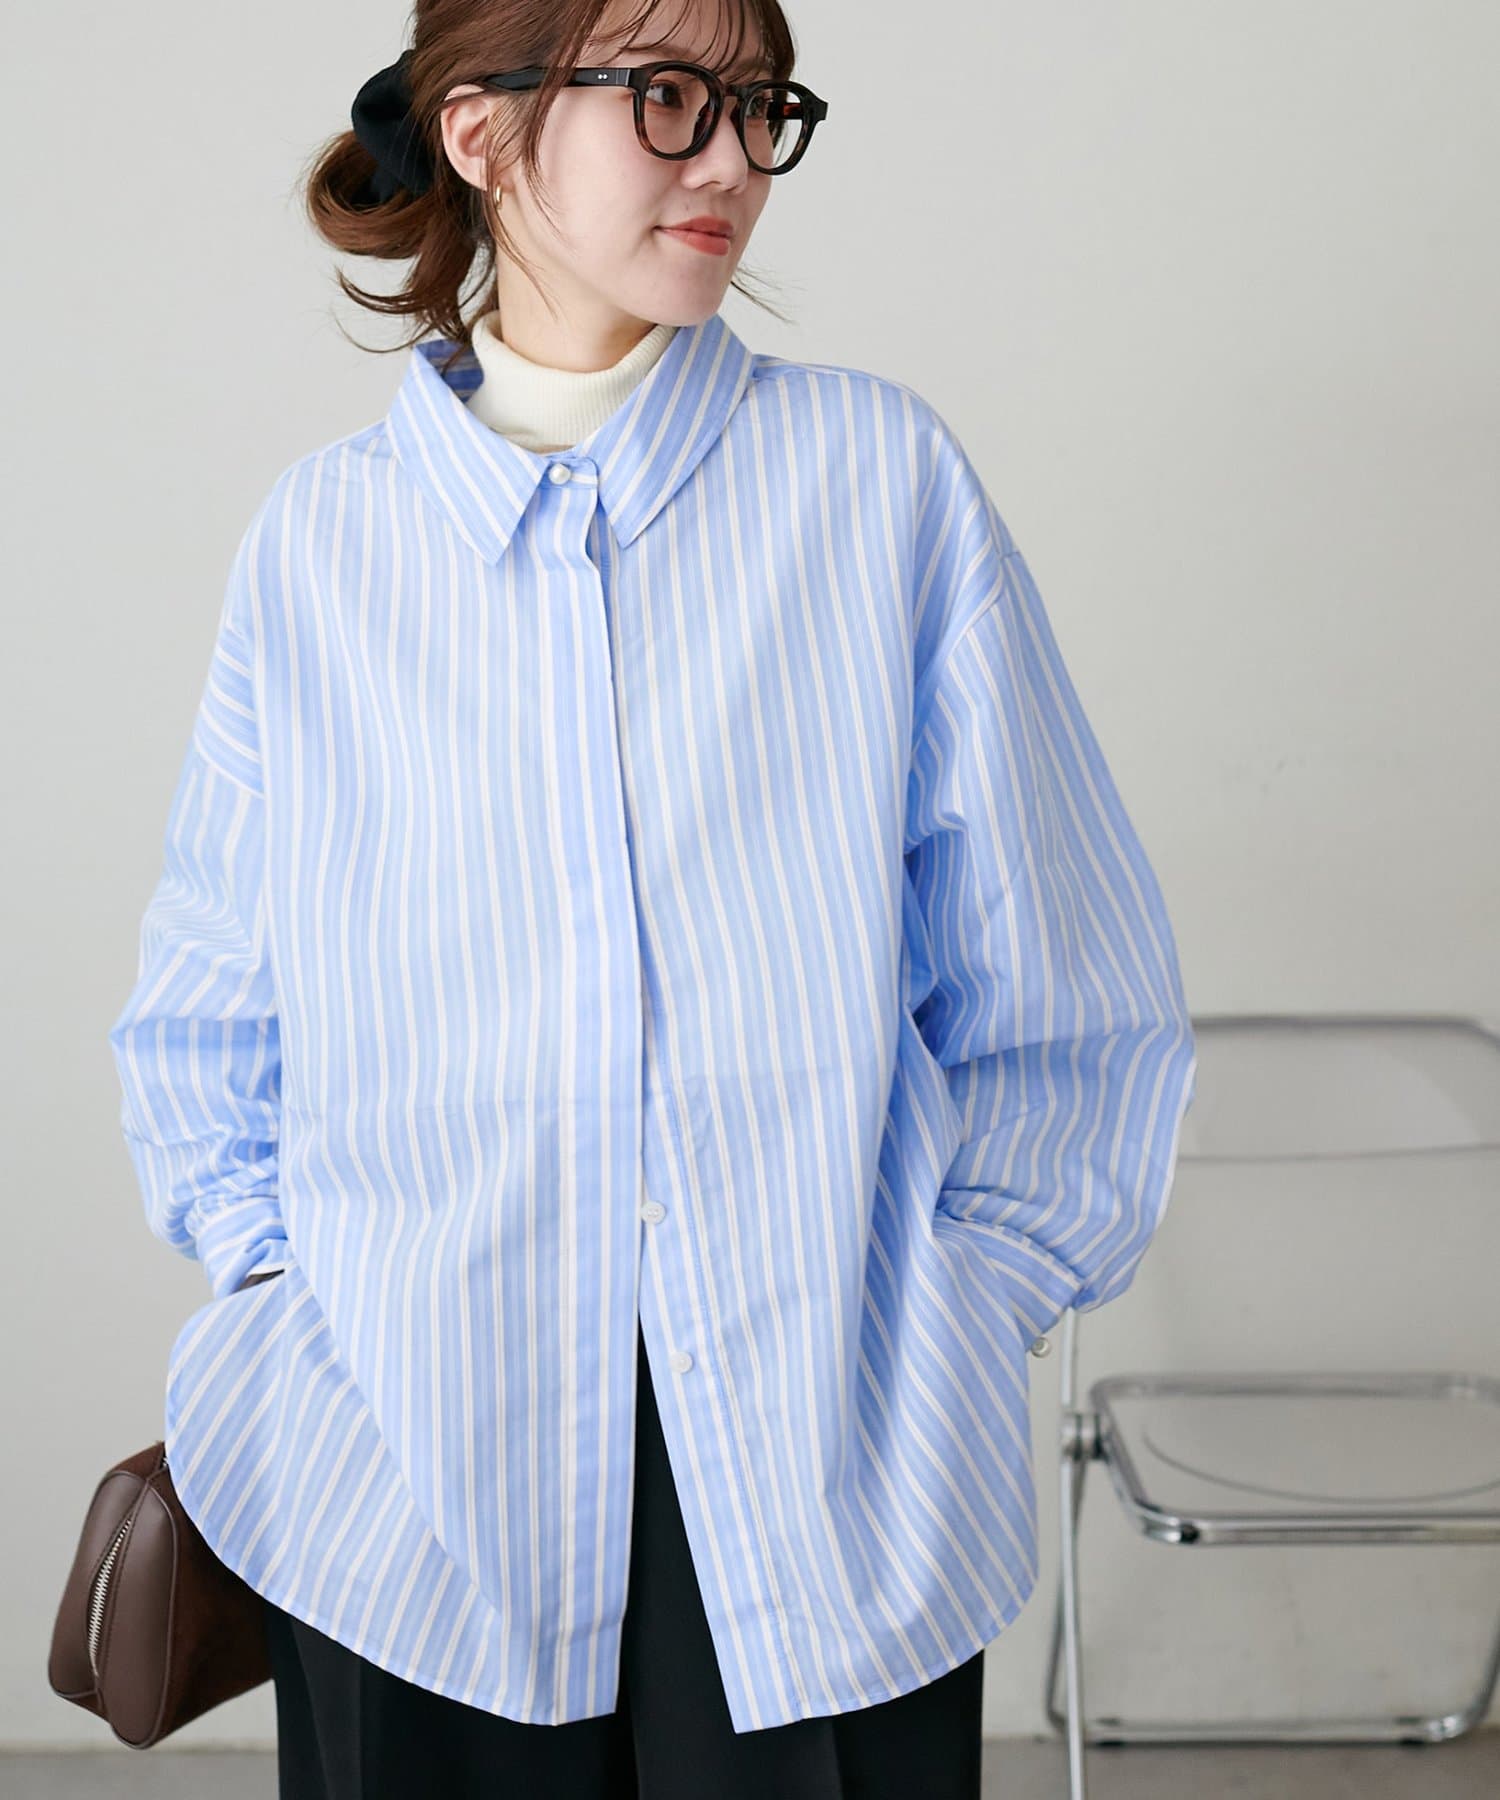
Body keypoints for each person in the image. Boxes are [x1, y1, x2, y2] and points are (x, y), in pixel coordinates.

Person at [108, 1, 1197, 1794]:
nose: (734, 162)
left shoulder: (878, 487)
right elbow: (212, 1018)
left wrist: (956, 1317)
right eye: (672, 99)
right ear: (480, 132)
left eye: (762, 108)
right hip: (405, 1487)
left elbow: (1068, 988)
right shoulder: (323, 544)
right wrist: (293, 1298)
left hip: (819, 1475)